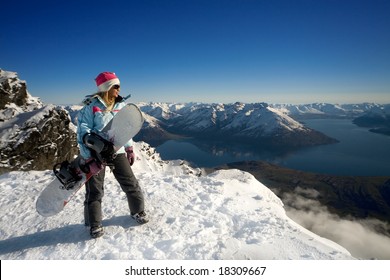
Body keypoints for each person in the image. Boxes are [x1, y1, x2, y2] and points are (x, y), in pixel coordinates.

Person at [77, 71, 148, 238]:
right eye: (115, 86)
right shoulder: (91, 106)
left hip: (117, 151)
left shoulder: (121, 105)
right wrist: (87, 155)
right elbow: (82, 132)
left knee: (131, 184)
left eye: (119, 86)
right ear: (106, 87)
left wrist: (129, 148)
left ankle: (138, 212)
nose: (119, 89)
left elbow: (125, 130)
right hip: (96, 154)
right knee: (95, 191)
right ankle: (94, 224)